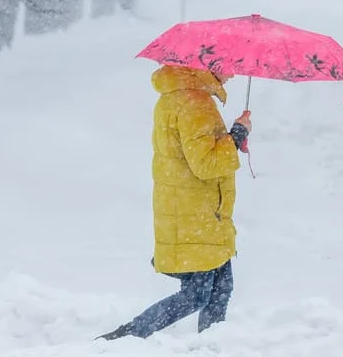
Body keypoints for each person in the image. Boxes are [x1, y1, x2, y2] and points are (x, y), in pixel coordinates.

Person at [98, 64, 251, 341]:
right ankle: (128, 335)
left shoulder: (176, 96)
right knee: (197, 295)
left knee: (220, 287)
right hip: (197, 212)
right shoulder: (196, 103)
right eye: (230, 66)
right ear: (211, 66)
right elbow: (205, 164)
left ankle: (211, 346)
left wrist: (230, 140)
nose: (234, 74)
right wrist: (236, 135)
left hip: (190, 208)